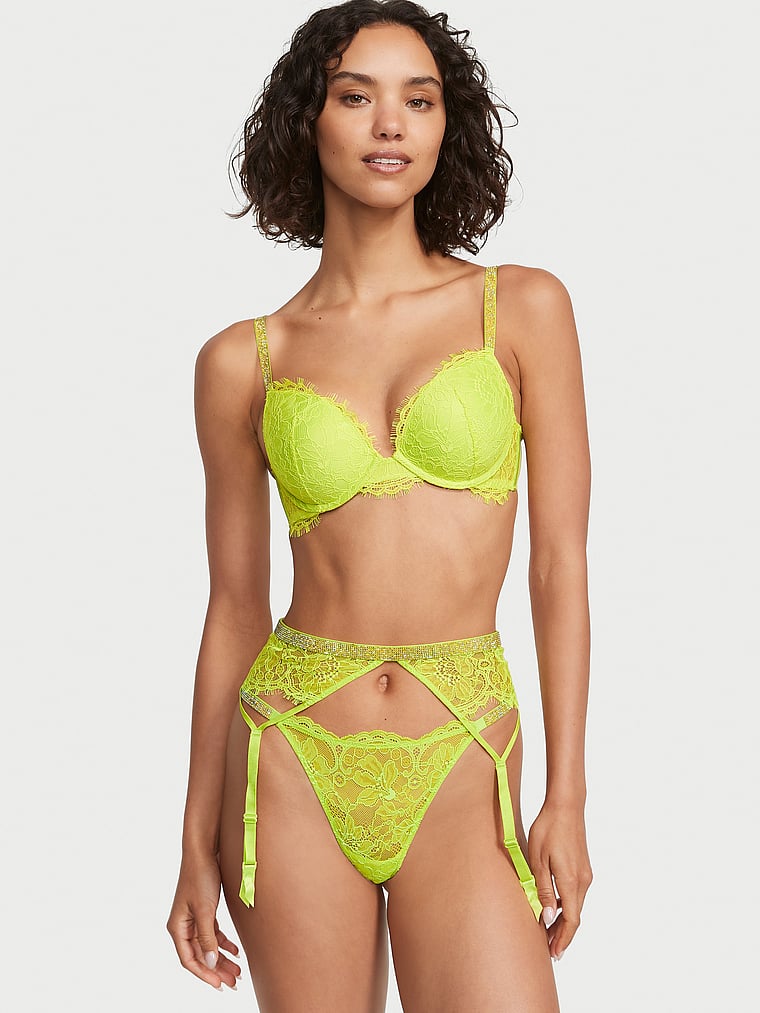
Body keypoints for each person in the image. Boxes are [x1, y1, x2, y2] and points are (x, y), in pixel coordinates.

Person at [166, 1, 592, 1009]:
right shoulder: (243, 359)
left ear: (449, 126)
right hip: (288, 753)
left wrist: (567, 794)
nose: (390, 123)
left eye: (420, 99)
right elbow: (234, 607)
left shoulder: (520, 308)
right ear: (308, 120)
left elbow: (559, 564)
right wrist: (191, 839)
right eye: (356, 97)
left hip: (466, 748)